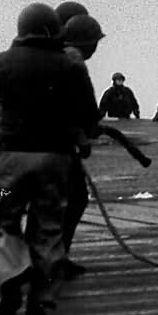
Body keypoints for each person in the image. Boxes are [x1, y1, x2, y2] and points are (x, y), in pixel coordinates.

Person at [0, 3, 97, 315]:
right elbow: (89, 114)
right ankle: (39, 308)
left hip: (8, 165)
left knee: (5, 222)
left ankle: (10, 286)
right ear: (51, 29)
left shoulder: (3, 60)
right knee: (48, 230)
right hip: (52, 163)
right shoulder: (69, 64)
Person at [58, 14, 105, 280]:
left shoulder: (41, 55)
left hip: (14, 151)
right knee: (76, 199)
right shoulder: (74, 61)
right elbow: (88, 109)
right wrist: (85, 134)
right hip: (57, 150)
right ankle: (57, 257)